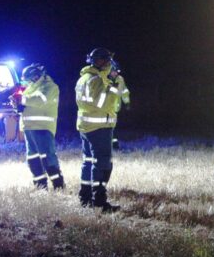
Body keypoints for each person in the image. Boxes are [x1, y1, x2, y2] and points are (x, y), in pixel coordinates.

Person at [75, 47, 121, 212]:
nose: (110, 64)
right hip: (99, 127)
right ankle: (100, 203)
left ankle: (85, 198)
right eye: (107, 60)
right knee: (102, 164)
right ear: (100, 61)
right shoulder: (95, 80)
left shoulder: (84, 78)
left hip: (86, 127)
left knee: (88, 162)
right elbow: (102, 103)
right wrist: (114, 86)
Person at [16, 63, 64, 190]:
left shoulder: (50, 87)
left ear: (36, 76)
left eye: (29, 79)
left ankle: (58, 185)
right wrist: (17, 105)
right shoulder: (31, 87)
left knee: (48, 157)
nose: (27, 82)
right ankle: (40, 186)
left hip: (43, 128)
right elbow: (25, 101)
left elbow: (39, 101)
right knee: (33, 159)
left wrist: (21, 100)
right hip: (29, 128)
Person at [109, 59, 131, 149]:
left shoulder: (120, 79)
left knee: (113, 127)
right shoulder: (104, 80)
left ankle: (114, 145)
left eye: (117, 71)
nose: (115, 74)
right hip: (105, 108)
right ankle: (111, 145)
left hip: (116, 108)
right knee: (107, 127)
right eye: (113, 71)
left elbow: (124, 92)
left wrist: (127, 102)